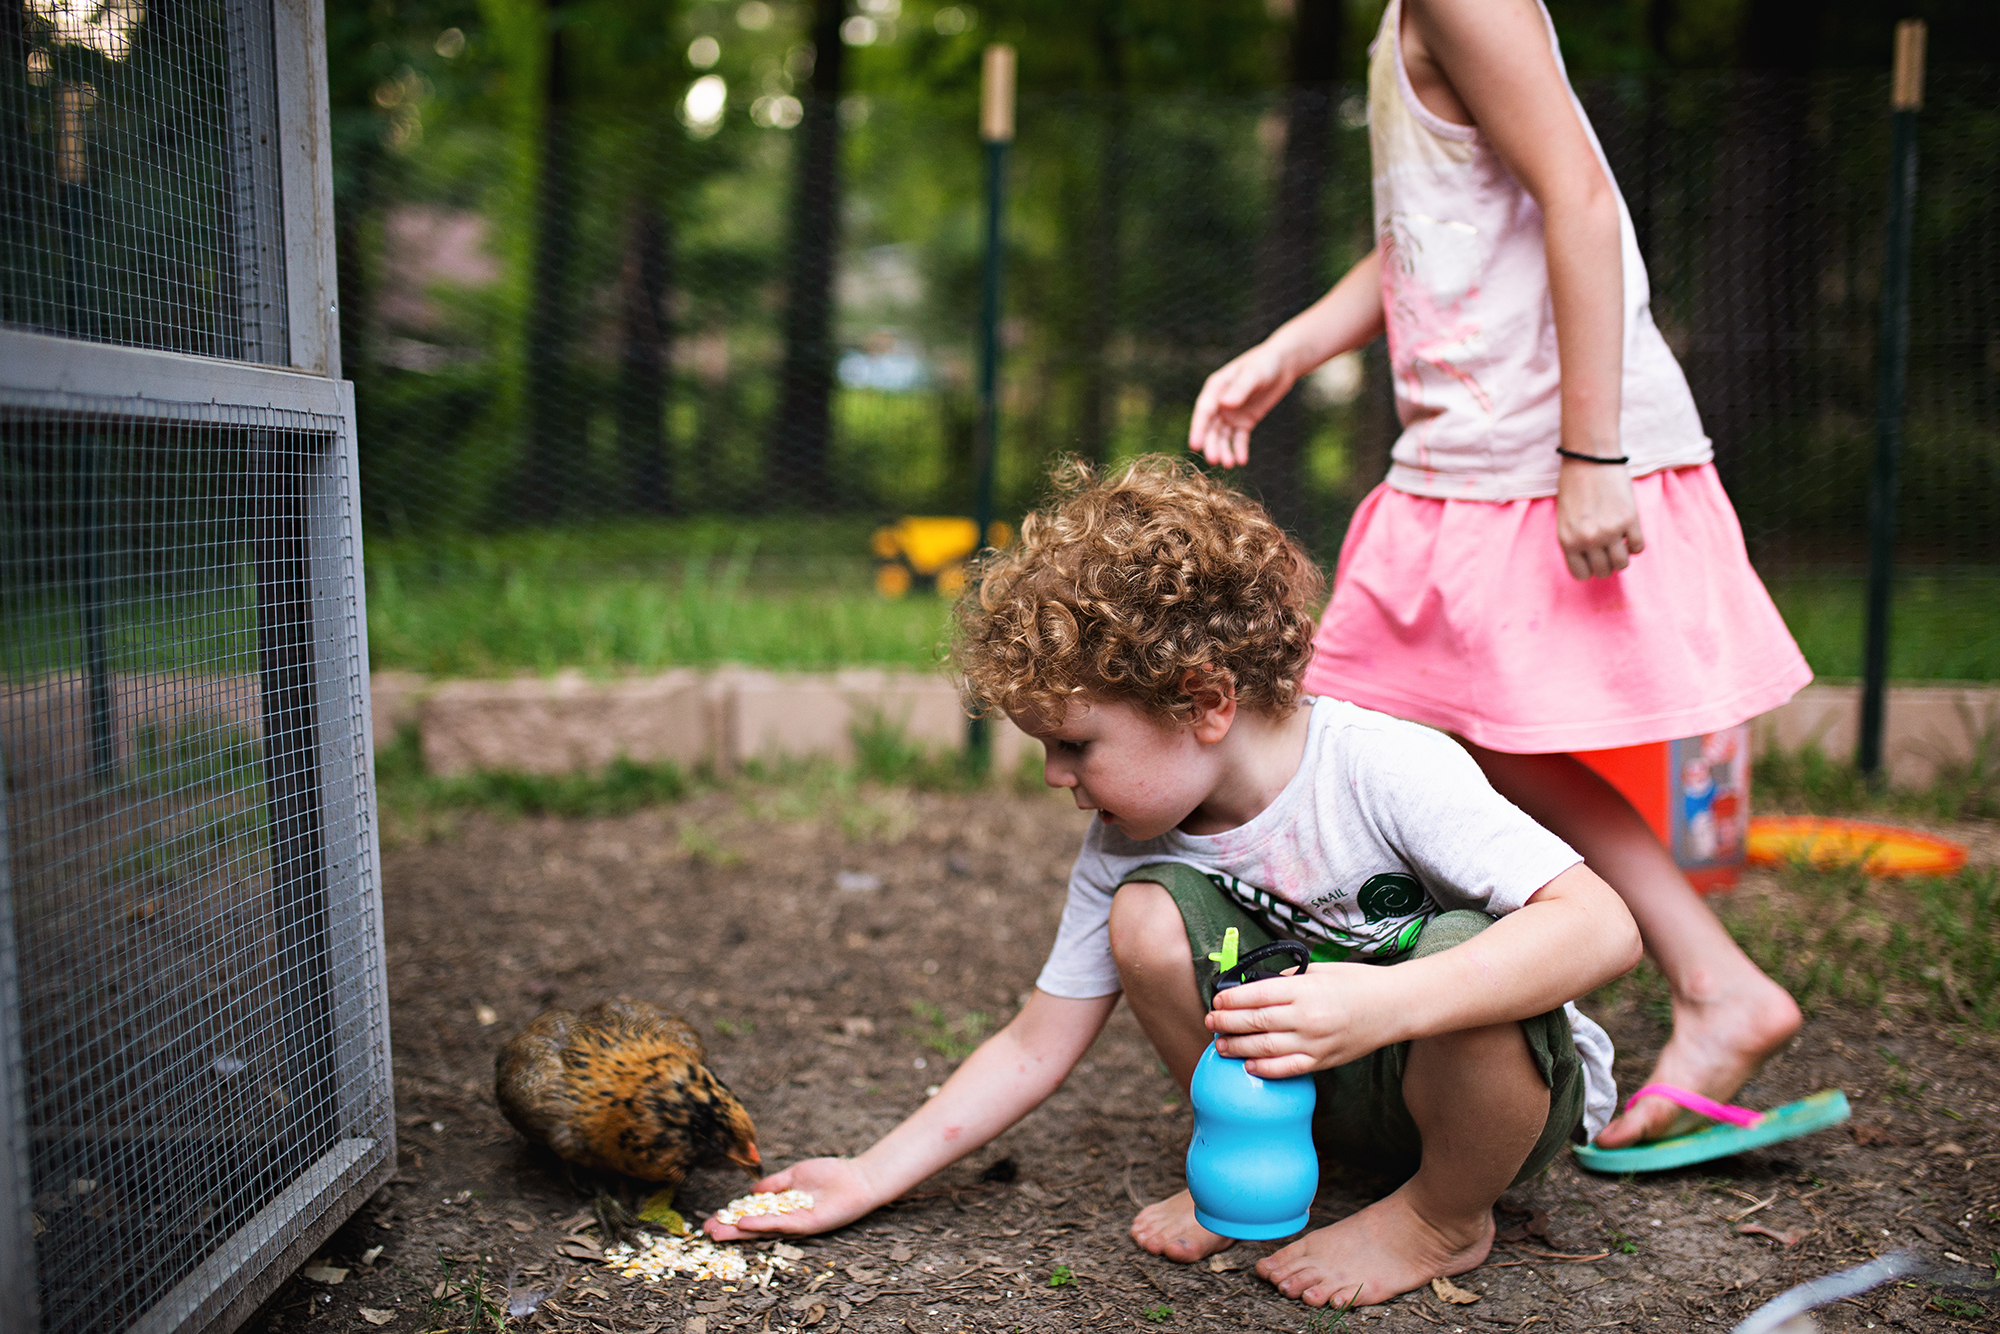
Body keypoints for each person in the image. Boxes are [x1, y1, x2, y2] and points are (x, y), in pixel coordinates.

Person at [710, 458, 1642, 1307]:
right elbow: (1038, 1040)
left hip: (1486, 1109)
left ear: (1203, 701)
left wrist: (1391, 1003)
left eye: (1074, 745)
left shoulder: (1383, 767)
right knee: (1149, 915)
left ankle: (1440, 1218)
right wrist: (871, 1175)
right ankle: (1252, 1162)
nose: (1054, 776)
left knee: (1469, 946)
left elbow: (1602, 928)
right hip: (1314, 1093)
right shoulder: (1134, 839)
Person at [1187, 0, 1811, 1149]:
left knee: (1392, 732)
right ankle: (1662, 986)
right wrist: (1291, 346)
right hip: (1463, 450)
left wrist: (1590, 455)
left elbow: (1578, 197)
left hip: (1528, 452)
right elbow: (1426, 234)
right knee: (1423, 733)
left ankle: (1458, 1015)